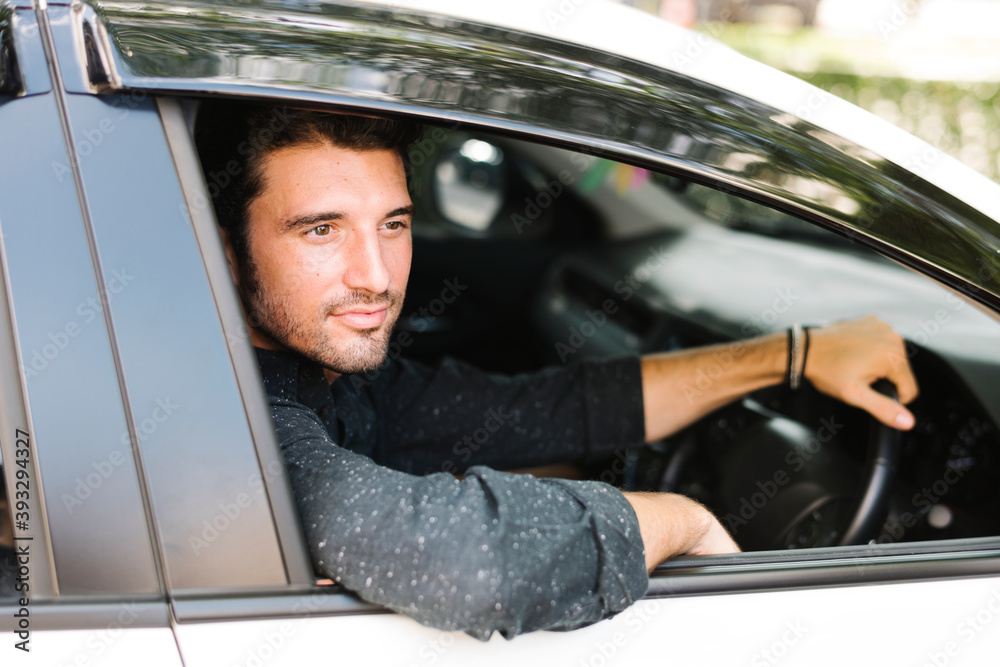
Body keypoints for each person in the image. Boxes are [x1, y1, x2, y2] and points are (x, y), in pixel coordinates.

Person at [194, 102, 918, 639]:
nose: (377, 275)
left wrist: (792, 352)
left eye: (393, 224)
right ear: (227, 251)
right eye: (321, 230)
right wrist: (681, 517)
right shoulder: (241, 422)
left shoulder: (333, 379)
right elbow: (464, 563)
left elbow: (547, 406)